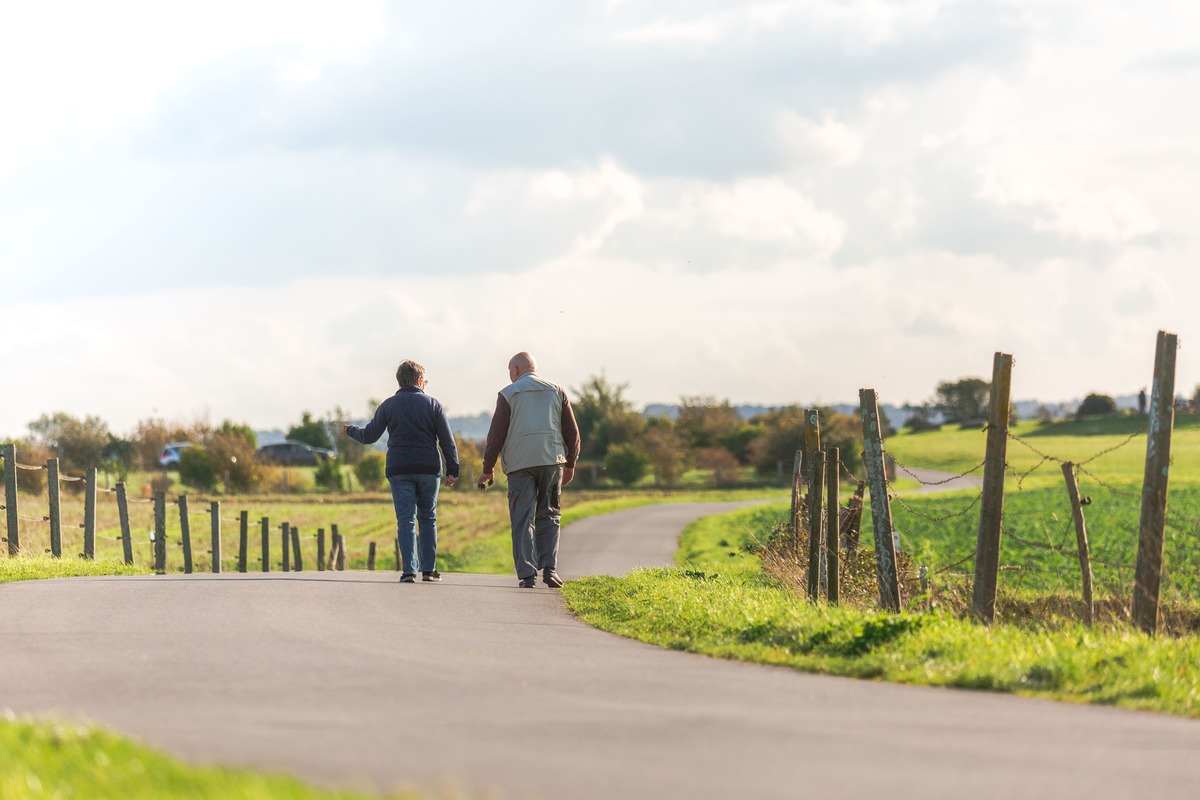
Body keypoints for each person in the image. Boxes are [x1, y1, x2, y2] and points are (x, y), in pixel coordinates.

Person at [346, 360, 459, 583]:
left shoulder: (389, 405)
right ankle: (428, 570)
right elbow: (447, 441)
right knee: (428, 517)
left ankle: (409, 571)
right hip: (429, 469)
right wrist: (453, 469)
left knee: (406, 519)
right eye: (424, 380)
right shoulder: (433, 405)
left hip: (399, 469)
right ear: (419, 380)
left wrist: (349, 429)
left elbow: (369, 436)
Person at [478, 352, 581, 588]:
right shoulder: (557, 390)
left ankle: (527, 574)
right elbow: (572, 432)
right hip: (551, 459)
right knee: (550, 513)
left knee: (522, 518)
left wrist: (488, 469)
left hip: (520, 464)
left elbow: (496, 436)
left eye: (509, 370)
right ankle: (550, 569)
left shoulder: (508, 394)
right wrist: (570, 463)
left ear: (515, 369)